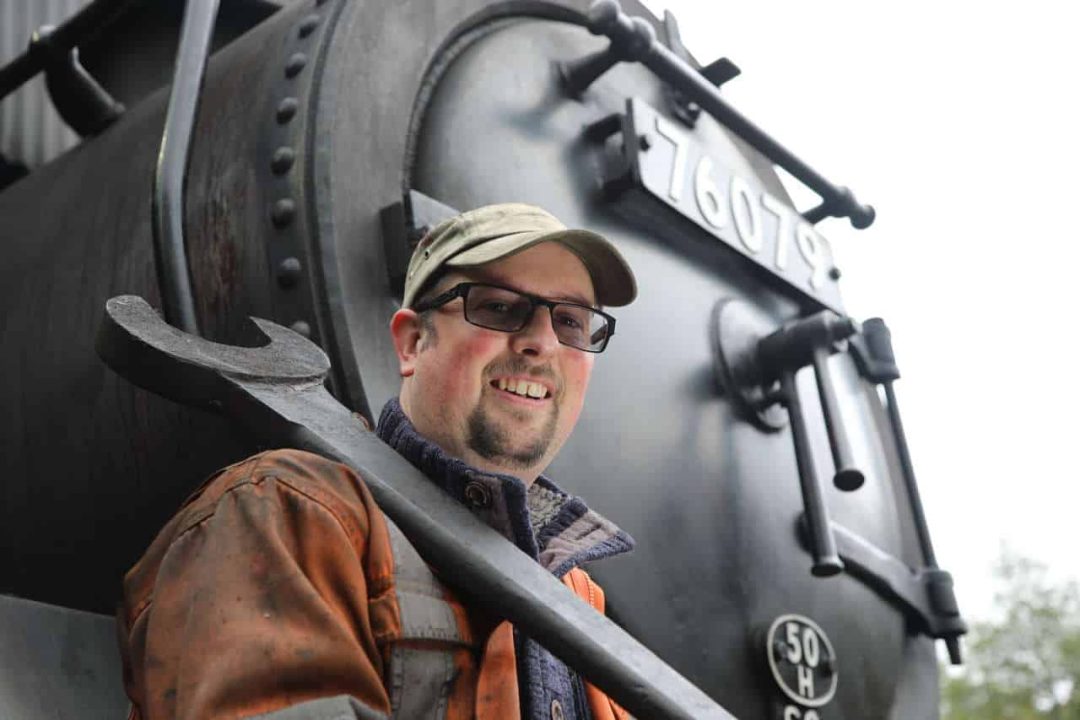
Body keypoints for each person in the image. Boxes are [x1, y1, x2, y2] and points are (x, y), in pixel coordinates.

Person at [116, 203, 638, 720]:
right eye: (499, 307)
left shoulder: (576, 593)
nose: (542, 343)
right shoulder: (288, 512)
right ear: (412, 343)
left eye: (570, 321)